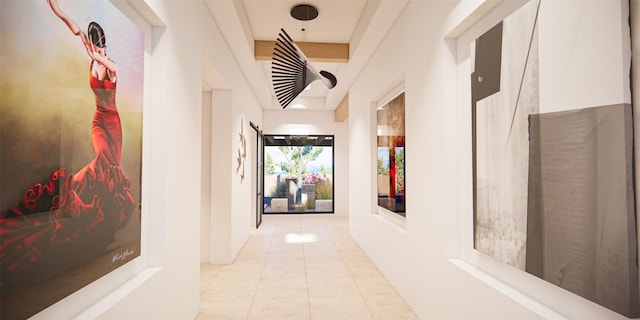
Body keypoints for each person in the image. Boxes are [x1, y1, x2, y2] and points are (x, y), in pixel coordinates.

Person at [0, 0, 136, 294]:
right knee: (102, 159)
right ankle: (86, 203)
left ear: (103, 44)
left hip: (112, 121)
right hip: (98, 122)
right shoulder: (93, 57)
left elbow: (109, 65)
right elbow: (76, 32)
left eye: (99, 43)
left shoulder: (110, 67)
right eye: (96, 43)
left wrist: (97, 55)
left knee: (108, 162)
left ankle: (90, 206)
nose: (97, 47)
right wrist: (58, 10)